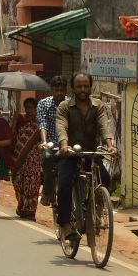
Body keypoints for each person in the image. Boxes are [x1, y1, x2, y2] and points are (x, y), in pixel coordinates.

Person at [53, 72, 116, 243]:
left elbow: (104, 126)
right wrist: (64, 145)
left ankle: (94, 210)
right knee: (65, 184)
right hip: (70, 153)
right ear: (73, 88)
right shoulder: (65, 107)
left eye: (86, 86)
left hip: (91, 153)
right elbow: (61, 126)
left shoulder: (99, 106)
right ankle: (65, 224)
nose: (82, 89)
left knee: (105, 178)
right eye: (79, 86)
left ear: (90, 87)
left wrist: (110, 146)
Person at [35, 75, 69, 209]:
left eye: (62, 90)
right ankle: (47, 192)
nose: (59, 93)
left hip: (67, 143)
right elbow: (43, 124)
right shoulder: (43, 104)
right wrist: (44, 142)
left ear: (66, 90)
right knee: (47, 159)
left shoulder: (70, 103)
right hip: (51, 143)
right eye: (56, 90)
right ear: (51, 90)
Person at [10, 96, 46, 221]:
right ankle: (21, 206)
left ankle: (30, 211)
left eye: (32, 107)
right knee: (17, 182)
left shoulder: (40, 123)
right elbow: (13, 136)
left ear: (36, 109)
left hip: (34, 159)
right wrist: (14, 124)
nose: (29, 110)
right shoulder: (20, 120)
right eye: (27, 107)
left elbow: (43, 139)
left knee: (32, 184)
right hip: (18, 157)